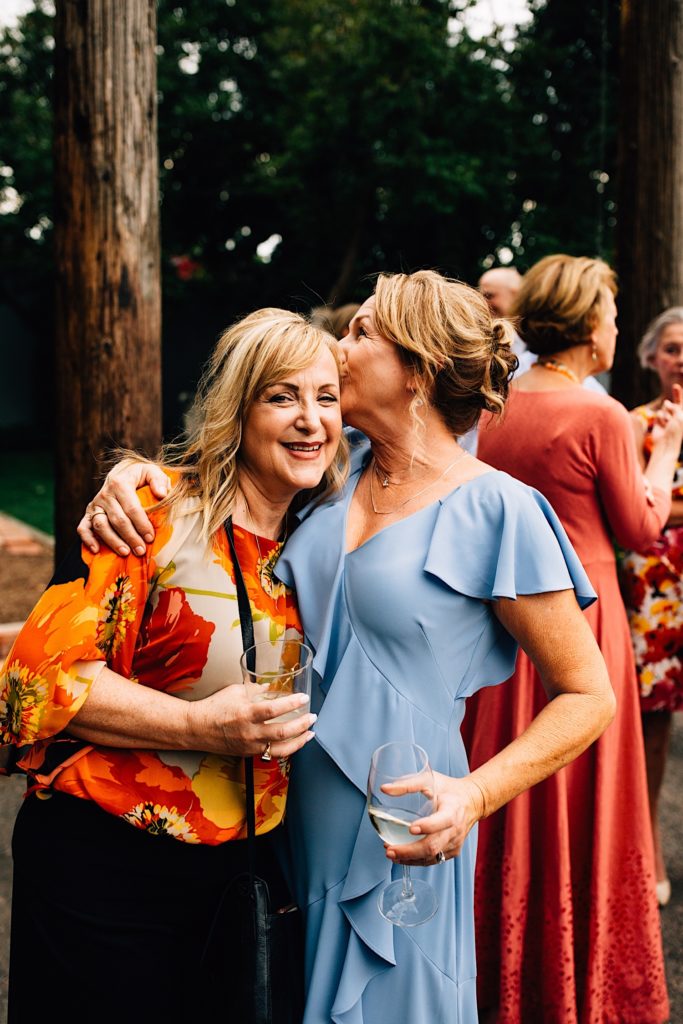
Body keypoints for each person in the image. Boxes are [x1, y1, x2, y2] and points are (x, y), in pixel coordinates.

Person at [78, 269, 615, 1024]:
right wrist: (132, 479)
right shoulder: (332, 474)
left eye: (362, 332)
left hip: (400, 830)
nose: (338, 344)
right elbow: (226, 481)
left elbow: (589, 693)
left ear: (418, 372)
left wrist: (472, 796)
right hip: (278, 823)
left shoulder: (500, 509)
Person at [0, 308, 342, 1023]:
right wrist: (197, 726)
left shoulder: (327, 533)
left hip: (243, 869)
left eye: (327, 397)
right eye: (282, 396)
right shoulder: (152, 513)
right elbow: (29, 684)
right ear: (236, 409)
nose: (310, 419)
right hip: (107, 865)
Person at [462, 254, 683, 1024]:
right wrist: (661, 457)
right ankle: (578, 983)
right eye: (613, 316)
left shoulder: (495, 406)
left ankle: (502, 972)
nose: (617, 328)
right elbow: (640, 531)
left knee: (509, 783)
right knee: (588, 787)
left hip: (503, 622)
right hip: (583, 619)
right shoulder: (597, 414)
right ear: (591, 327)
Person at [619, 306, 683, 908]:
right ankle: (653, 852)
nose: (680, 357)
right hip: (656, 597)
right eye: (670, 348)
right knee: (655, 731)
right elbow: (632, 508)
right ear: (650, 358)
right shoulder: (634, 425)